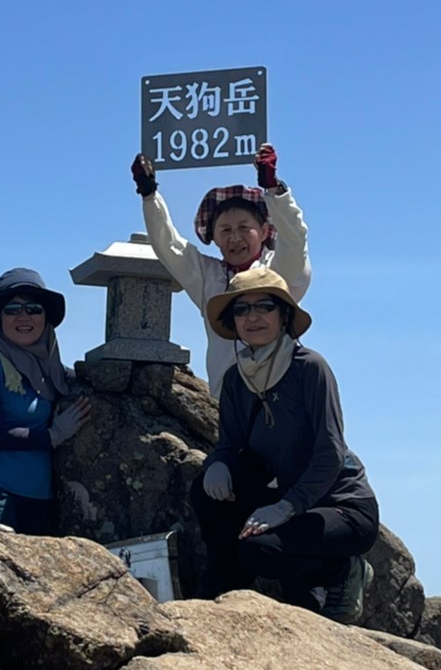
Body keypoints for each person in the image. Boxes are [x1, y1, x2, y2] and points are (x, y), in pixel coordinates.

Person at [190, 267, 378, 623]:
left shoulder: (309, 368)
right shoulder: (236, 380)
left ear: (284, 315)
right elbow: (230, 444)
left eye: (264, 306)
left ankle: (343, 571)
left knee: (260, 550)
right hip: (287, 498)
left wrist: (287, 507)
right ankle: (223, 583)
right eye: (242, 310)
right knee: (205, 492)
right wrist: (218, 463)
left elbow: (330, 453)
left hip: (341, 507)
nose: (253, 317)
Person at [130, 143, 311, 395]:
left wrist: (274, 189)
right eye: (225, 230)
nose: (234, 237)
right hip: (225, 403)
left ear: (265, 231)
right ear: (213, 237)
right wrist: (150, 196)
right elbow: (170, 246)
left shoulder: (278, 270)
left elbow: (294, 241)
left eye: (244, 228)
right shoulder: (209, 278)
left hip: (284, 400)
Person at [0, 268, 92, 535]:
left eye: (33, 309)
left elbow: (88, 378)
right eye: (12, 309)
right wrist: (54, 434)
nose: (23, 316)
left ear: (46, 317)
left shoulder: (53, 372)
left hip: (40, 496)